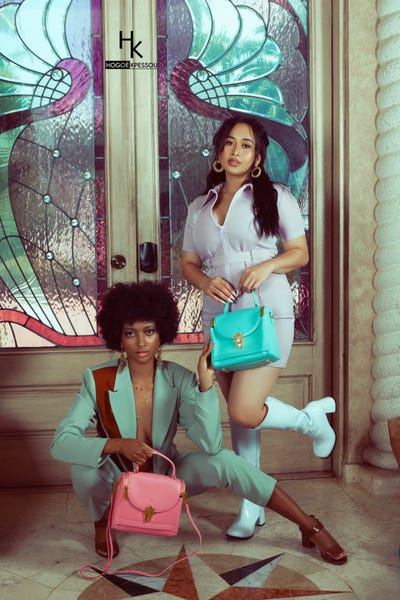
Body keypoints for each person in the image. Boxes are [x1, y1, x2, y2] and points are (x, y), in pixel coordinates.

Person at [50, 281, 346, 565]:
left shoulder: (179, 378)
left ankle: (308, 525)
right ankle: (102, 520)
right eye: (130, 333)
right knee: (85, 471)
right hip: (116, 478)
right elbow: (61, 442)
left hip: (168, 473)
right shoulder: (97, 379)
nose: (141, 342)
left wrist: (205, 385)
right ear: (119, 335)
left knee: (227, 461)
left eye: (149, 331)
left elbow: (210, 444)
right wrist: (118, 445)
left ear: (161, 332)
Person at [181, 116, 336, 539]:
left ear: (257, 158)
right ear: (219, 152)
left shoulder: (276, 196)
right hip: (220, 318)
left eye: (246, 145)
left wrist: (267, 265)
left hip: (266, 311)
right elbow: (188, 262)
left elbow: (299, 252)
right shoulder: (199, 207)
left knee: (244, 410)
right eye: (230, 143)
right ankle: (251, 506)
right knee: (242, 422)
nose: (236, 151)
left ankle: (310, 420)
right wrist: (204, 281)